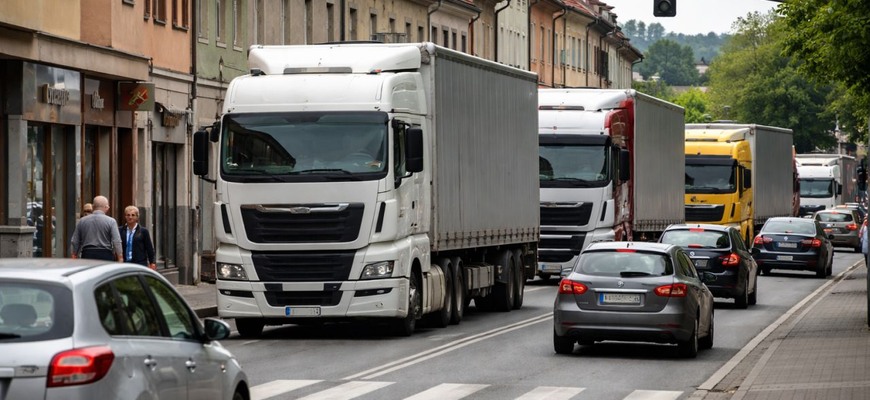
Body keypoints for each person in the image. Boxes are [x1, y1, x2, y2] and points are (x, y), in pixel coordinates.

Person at [70, 196, 123, 261]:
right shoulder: (111, 221)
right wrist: (120, 257)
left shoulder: (82, 221)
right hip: (105, 254)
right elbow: (116, 241)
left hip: (87, 254)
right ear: (106, 207)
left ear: (93, 207)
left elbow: (75, 241)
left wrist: (74, 255)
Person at [119, 205, 157, 270]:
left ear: (137, 217)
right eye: (128, 215)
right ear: (125, 216)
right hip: (125, 264)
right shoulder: (120, 230)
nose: (130, 217)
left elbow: (149, 248)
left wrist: (152, 262)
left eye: (133, 215)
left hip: (139, 264)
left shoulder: (143, 231)